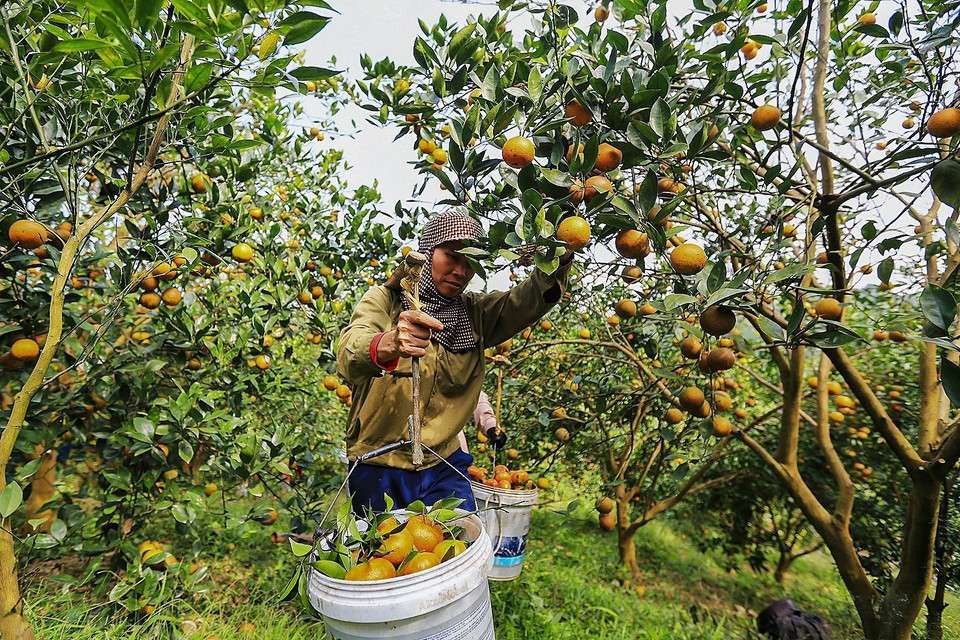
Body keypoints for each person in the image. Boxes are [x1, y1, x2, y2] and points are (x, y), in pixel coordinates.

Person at [337, 211, 572, 515]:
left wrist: (559, 252)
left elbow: (530, 299)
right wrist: (390, 342)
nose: (461, 271)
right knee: (384, 554)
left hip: (444, 461)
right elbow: (348, 352)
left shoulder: (476, 314)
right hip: (379, 464)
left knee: (462, 545)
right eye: (452, 257)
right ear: (429, 252)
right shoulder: (384, 300)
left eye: (470, 262)